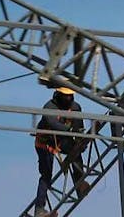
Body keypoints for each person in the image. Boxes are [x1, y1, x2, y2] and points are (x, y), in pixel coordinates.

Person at [33, 87, 91, 217]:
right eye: (65, 96)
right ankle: (39, 209)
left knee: (76, 151)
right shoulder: (50, 108)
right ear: (58, 95)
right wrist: (69, 131)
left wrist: (80, 140)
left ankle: (79, 184)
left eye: (70, 96)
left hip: (60, 141)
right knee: (46, 175)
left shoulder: (75, 108)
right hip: (45, 143)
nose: (68, 98)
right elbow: (54, 124)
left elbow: (78, 126)